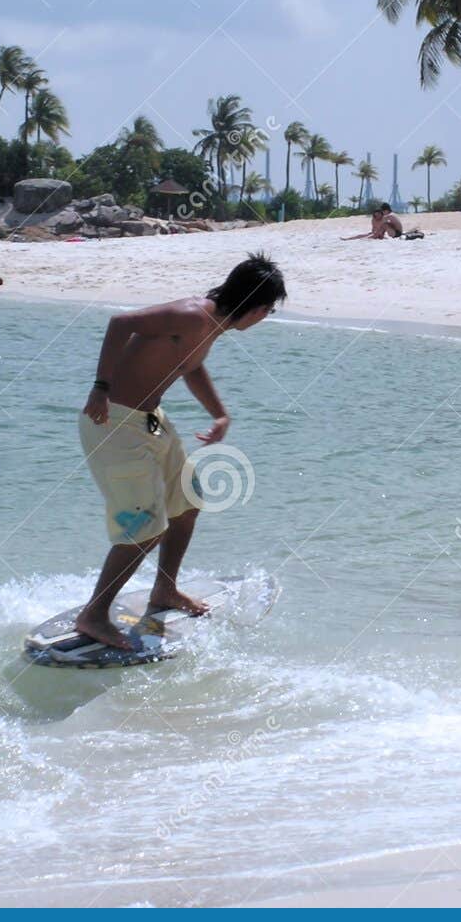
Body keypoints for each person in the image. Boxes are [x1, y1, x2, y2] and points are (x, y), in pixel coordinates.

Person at [71, 252, 287, 650]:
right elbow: (121, 323)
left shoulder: (209, 328)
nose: (264, 317)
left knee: (187, 502)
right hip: (114, 422)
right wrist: (100, 387)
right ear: (256, 308)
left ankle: (165, 591)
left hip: (149, 420)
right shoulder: (191, 315)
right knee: (144, 528)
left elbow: (190, 366)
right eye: (268, 311)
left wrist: (220, 414)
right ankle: (94, 614)